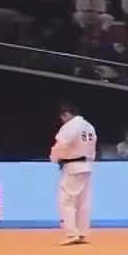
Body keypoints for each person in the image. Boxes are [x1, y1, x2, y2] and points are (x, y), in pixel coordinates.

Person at [48, 101, 97, 245]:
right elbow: (93, 147)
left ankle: (71, 234)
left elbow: (60, 145)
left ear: (66, 114)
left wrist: (54, 158)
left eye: (62, 117)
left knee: (66, 201)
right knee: (83, 202)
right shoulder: (89, 126)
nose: (62, 120)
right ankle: (82, 233)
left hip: (73, 167)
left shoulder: (70, 126)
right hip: (86, 165)